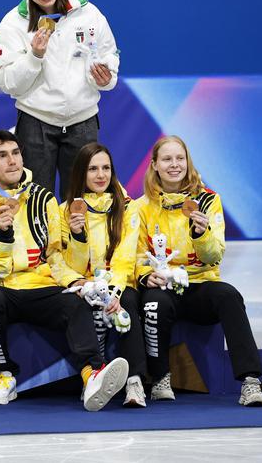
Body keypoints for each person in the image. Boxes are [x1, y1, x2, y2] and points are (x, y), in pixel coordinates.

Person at [0, 130, 129, 411]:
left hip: (40, 286)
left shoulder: (44, 199)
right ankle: (3, 376)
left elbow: (54, 257)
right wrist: (2, 237)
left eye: (15, 153)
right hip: (2, 289)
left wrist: (77, 281)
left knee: (75, 304)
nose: (12, 161)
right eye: (2, 156)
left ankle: (92, 375)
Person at [136, 136, 262, 407]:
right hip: (163, 287)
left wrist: (201, 233)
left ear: (188, 162)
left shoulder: (208, 200)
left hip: (200, 285)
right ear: (155, 165)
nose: (175, 165)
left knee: (229, 295)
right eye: (167, 159)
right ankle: (159, 378)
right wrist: (146, 275)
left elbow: (215, 255)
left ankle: (250, 381)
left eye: (180, 158)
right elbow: (135, 255)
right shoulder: (141, 207)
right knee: (153, 303)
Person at [0, 0, 119, 198]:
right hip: (35, 122)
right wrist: (34, 56)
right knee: (37, 201)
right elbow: (7, 83)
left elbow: (109, 56)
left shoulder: (88, 13)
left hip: (82, 121)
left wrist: (107, 80)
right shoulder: (13, 24)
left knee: (85, 200)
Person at [60, 142, 148, 407]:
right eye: (93, 169)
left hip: (119, 284)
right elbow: (70, 265)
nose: (101, 175)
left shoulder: (129, 207)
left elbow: (125, 257)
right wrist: (77, 236)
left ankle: (134, 381)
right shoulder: (64, 210)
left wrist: (114, 294)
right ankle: (93, 380)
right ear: (80, 174)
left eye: (106, 168)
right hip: (85, 285)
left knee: (129, 302)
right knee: (80, 304)